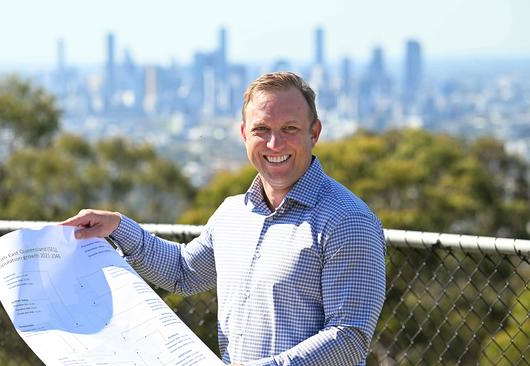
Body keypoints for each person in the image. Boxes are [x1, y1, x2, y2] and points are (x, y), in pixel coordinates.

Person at [62, 71, 386, 366]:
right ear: (244, 134)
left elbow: (350, 337)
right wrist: (118, 226)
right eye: (262, 130)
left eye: (289, 129)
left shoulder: (348, 221)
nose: (274, 144)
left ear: (314, 132)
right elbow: (183, 272)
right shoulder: (233, 214)